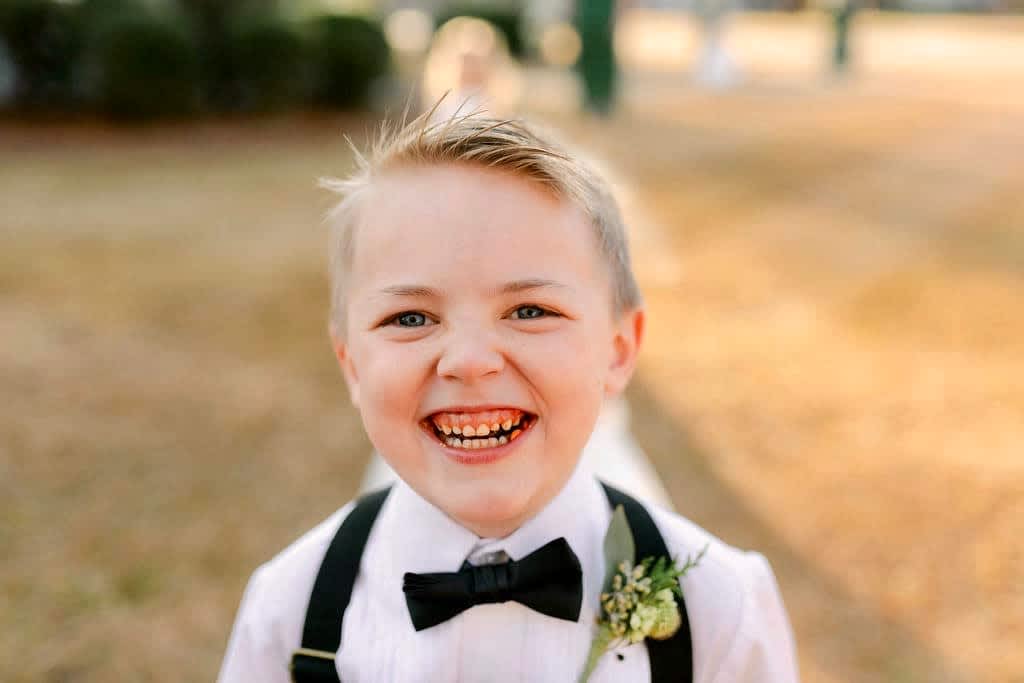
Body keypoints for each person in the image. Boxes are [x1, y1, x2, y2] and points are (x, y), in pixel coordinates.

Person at [217, 110, 799, 682]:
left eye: (529, 311)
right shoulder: (287, 613)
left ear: (618, 349)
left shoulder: (721, 610)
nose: (470, 361)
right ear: (351, 365)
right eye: (411, 317)